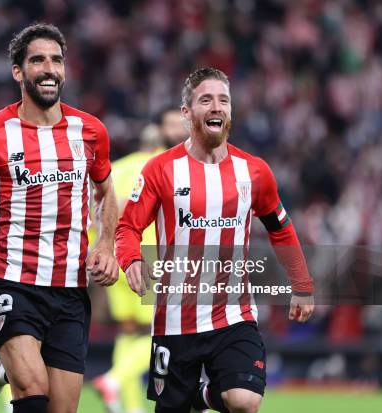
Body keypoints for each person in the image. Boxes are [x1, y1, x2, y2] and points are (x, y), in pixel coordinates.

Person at [0, 23, 119, 413]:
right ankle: (12, 370)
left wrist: (106, 244)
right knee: (33, 393)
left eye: (56, 60)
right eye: (38, 60)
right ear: (18, 72)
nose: (49, 69)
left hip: (69, 289)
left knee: (61, 408)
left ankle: (2, 370)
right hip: (10, 280)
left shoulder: (91, 131)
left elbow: (105, 194)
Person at [116, 67, 315, 413]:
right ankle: (198, 397)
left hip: (233, 314)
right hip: (175, 319)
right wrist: (131, 259)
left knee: (244, 400)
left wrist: (302, 284)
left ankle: (205, 396)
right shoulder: (160, 169)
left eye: (223, 100)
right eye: (205, 100)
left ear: (231, 111)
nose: (216, 107)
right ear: (186, 112)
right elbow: (127, 227)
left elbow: (280, 227)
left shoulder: (253, 171)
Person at [92, 108, 186, 413]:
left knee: (128, 330)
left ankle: (130, 408)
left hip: (114, 257)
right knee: (165, 331)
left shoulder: (117, 168)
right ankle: (115, 380)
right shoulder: (165, 167)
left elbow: (96, 214)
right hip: (149, 258)